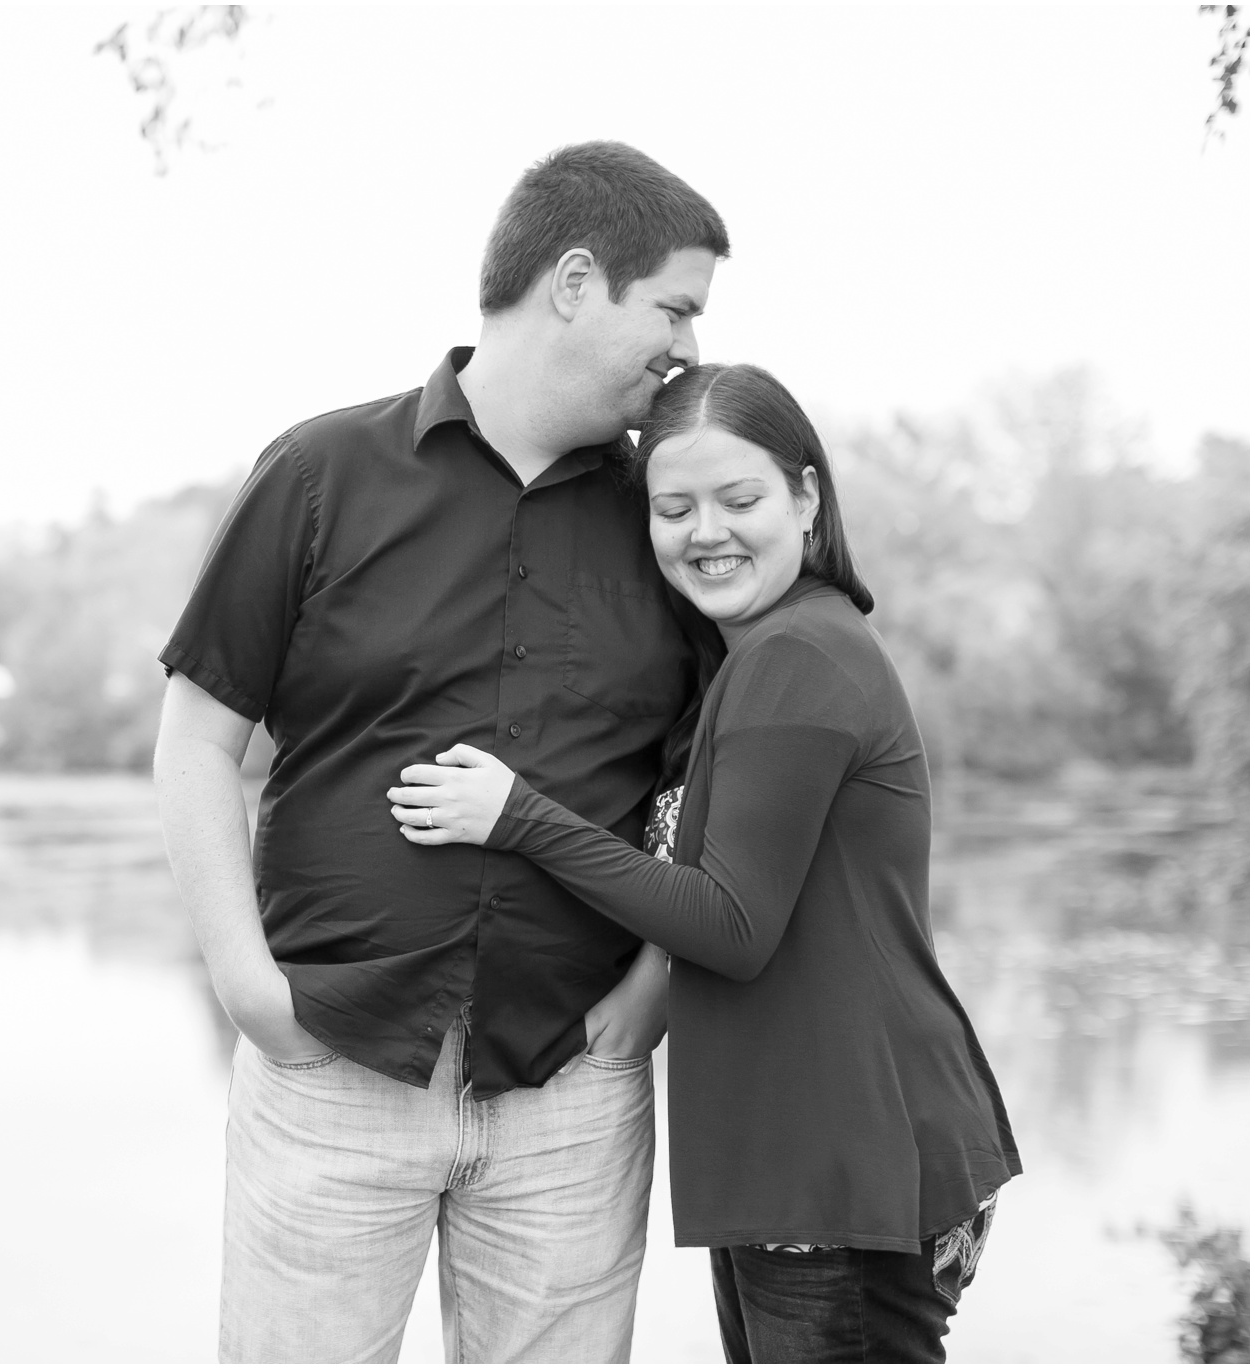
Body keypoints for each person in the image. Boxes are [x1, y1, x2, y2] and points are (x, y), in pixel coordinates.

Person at [153, 141, 728, 1364]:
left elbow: (706, 780)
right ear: (574, 280)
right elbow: (197, 739)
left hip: (572, 1084)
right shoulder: (319, 475)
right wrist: (248, 987)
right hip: (331, 1066)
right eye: (672, 307)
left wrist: (651, 990)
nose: (687, 346)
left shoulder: (669, 518)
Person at [387, 362, 1022, 1363]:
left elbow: (729, 925)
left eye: (738, 499)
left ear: (805, 497)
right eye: (672, 507)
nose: (704, 532)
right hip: (813, 1152)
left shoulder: (794, 660)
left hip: (838, 1162)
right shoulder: (766, 650)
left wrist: (518, 815)